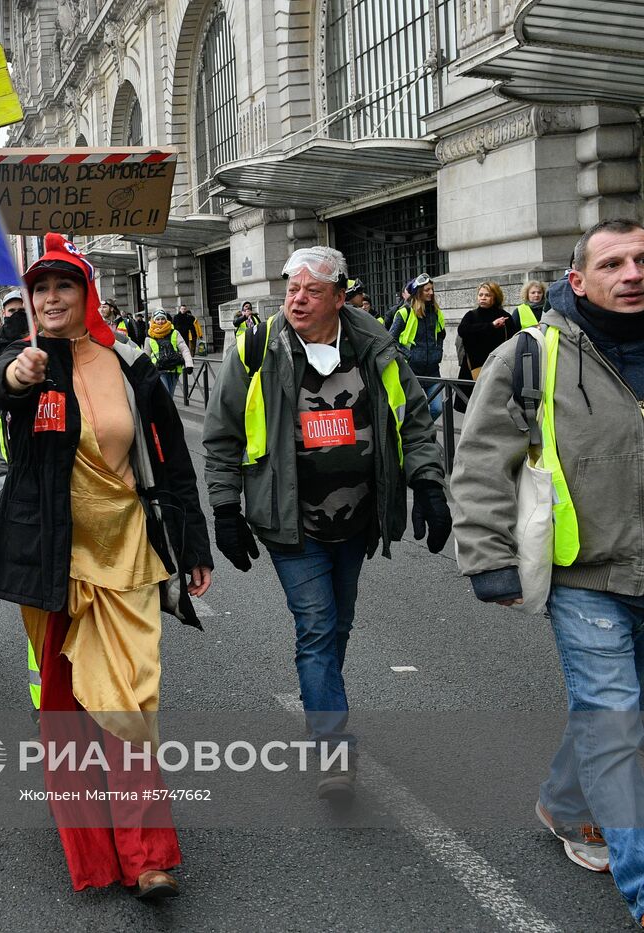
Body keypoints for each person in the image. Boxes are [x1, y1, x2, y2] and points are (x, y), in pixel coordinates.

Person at [0, 233, 212, 899]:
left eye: (64, 285)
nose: (51, 297)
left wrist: (193, 545)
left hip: (128, 553)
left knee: (128, 702)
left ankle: (146, 855)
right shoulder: (17, 353)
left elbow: (170, 458)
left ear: (86, 293)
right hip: (48, 560)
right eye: (41, 287)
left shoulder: (130, 360)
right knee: (65, 708)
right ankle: (94, 852)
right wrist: (20, 374)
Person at [451, 219, 644, 928]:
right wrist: (490, 556)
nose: (632, 273)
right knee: (615, 717)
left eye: (642, 259)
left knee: (621, 712)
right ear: (579, 278)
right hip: (585, 573)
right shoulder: (533, 353)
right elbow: (478, 461)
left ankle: (565, 804)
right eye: (614, 262)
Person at [203, 246, 448, 799]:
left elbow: (413, 421)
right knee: (316, 628)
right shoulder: (255, 349)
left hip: (359, 519)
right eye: (292, 288)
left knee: (336, 627)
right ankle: (332, 749)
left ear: (340, 296)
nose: (298, 298)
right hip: (290, 522)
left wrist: (429, 486)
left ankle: (321, 702)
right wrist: (225, 509)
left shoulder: (375, 347)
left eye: (312, 291)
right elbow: (221, 438)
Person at [388, 273, 446, 419]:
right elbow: (390, 339)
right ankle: (420, 436)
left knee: (437, 408)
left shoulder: (436, 312)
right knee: (415, 410)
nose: (431, 293)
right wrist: (408, 355)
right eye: (427, 290)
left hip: (433, 369)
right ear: (418, 292)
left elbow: (441, 334)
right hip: (412, 370)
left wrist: (438, 351)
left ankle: (423, 433)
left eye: (432, 289)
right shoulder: (404, 313)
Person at [456, 281, 515, 382]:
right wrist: (491, 326)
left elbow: (512, 342)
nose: (483, 298)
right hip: (472, 369)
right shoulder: (471, 315)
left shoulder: (505, 317)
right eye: (480, 295)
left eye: (487, 295)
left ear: (495, 297)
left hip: (497, 369)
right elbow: (462, 330)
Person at [145, 310, 193, 397]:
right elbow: (146, 356)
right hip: (159, 370)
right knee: (166, 395)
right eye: (158, 319)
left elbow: (184, 349)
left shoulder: (175, 332)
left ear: (166, 319)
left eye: (162, 318)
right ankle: (166, 410)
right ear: (154, 320)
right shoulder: (149, 336)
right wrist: (145, 372)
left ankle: (168, 410)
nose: (160, 321)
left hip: (175, 368)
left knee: (170, 395)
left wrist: (189, 364)